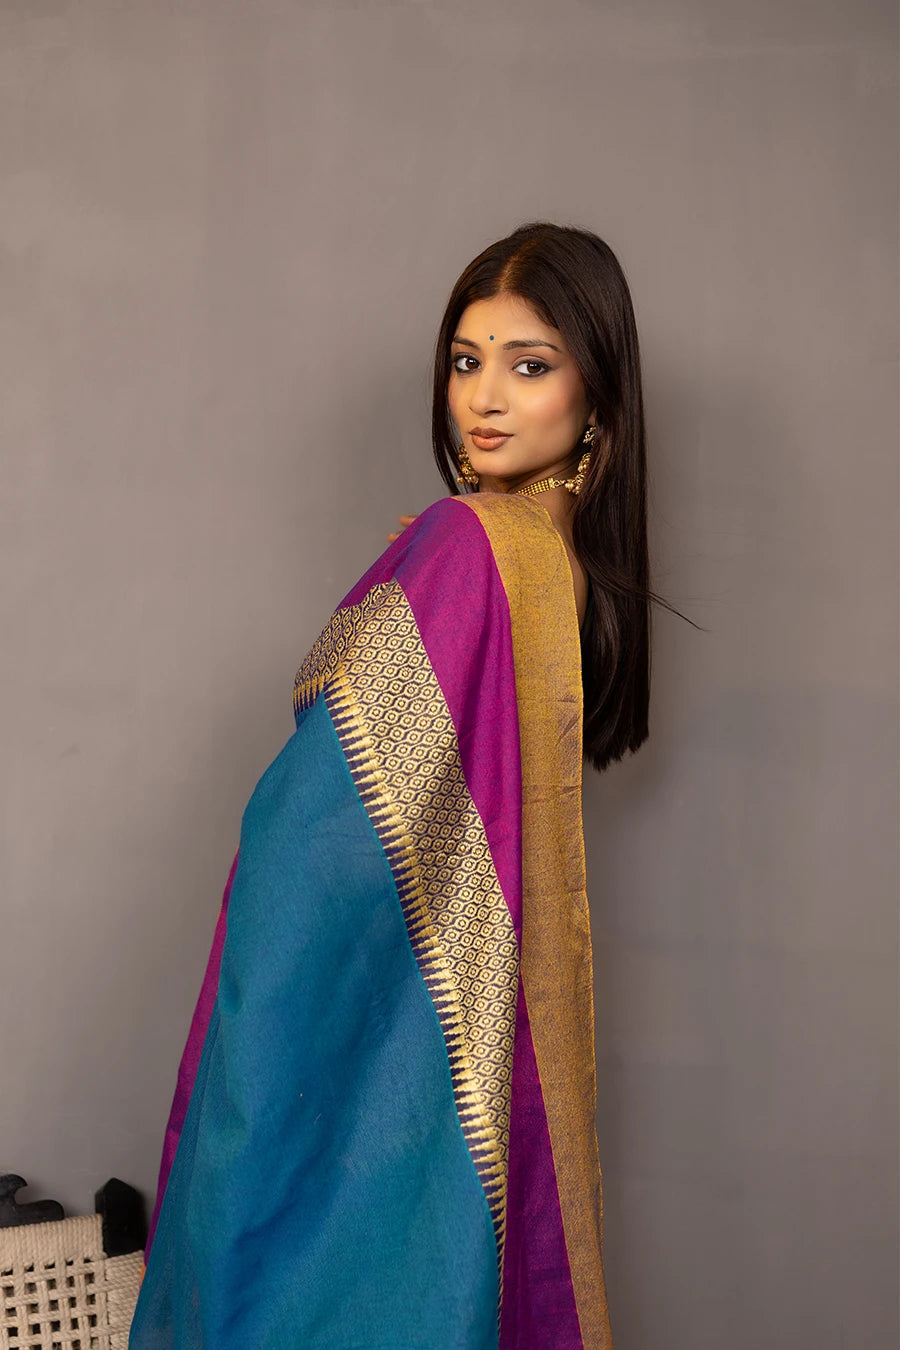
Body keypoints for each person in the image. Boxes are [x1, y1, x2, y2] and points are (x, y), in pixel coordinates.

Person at [129, 221, 672, 1349]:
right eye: (467, 361)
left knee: (293, 1262)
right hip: (500, 1006)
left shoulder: (470, 543)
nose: (485, 396)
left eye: (530, 365)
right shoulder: (561, 567)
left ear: (598, 397)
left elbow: (320, 819)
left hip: (414, 1016)